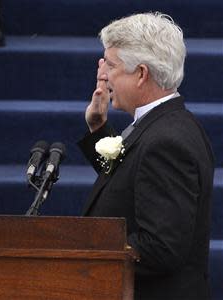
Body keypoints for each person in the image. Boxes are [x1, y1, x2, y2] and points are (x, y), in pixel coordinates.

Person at [77, 12, 214, 299]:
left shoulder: (166, 142)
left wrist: (88, 253)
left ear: (141, 74)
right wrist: (99, 129)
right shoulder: (165, 123)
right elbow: (133, 181)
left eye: (111, 65)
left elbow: (161, 247)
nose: (103, 74)